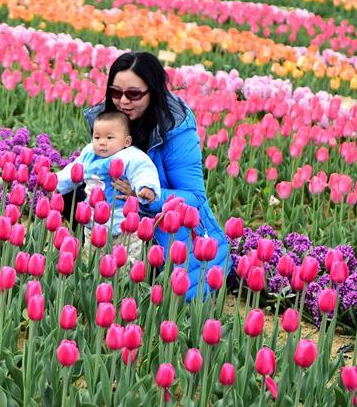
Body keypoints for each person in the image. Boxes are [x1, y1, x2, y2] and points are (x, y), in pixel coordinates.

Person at [57, 51, 230, 301]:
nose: (123, 101)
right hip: (114, 216)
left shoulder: (176, 130)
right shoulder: (111, 121)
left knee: (143, 280)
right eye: (116, 93)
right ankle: (90, 270)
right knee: (70, 193)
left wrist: (144, 196)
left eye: (134, 94)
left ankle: (135, 288)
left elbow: (194, 197)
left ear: (153, 91)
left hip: (159, 224)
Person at [56, 110, 161, 259]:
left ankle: (123, 281)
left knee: (126, 263)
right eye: (97, 137)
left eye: (109, 137)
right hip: (93, 225)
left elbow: (143, 170)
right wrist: (55, 184)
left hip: (124, 226)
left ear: (127, 141)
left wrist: (146, 187)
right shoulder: (88, 155)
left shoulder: (130, 156)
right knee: (93, 260)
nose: (102, 142)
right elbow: (73, 171)